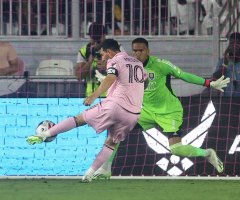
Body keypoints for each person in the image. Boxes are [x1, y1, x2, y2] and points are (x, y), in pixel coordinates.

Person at [92, 37, 230, 179]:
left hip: (168, 111)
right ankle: (105, 168)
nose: (138, 54)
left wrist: (208, 83)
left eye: (141, 50)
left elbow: (184, 76)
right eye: (135, 51)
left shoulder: (161, 65)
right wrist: (107, 81)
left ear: (148, 51)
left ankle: (207, 153)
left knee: (176, 149)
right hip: (145, 111)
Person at [26, 39, 145, 183]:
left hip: (115, 105)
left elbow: (111, 78)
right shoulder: (137, 63)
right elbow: (146, 81)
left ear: (109, 52)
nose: (102, 58)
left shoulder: (114, 60)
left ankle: (44, 135)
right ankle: (89, 173)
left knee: (79, 119)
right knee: (111, 143)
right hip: (133, 114)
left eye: (102, 54)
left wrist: (94, 95)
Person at [75, 22, 107, 97]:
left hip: (113, 97)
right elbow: (79, 76)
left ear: (104, 36)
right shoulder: (84, 51)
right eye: (94, 39)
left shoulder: (116, 48)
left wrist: (108, 66)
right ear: (90, 37)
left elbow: (126, 72)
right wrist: (90, 62)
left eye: (98, 39)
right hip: (92, 97)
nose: (96, 42)